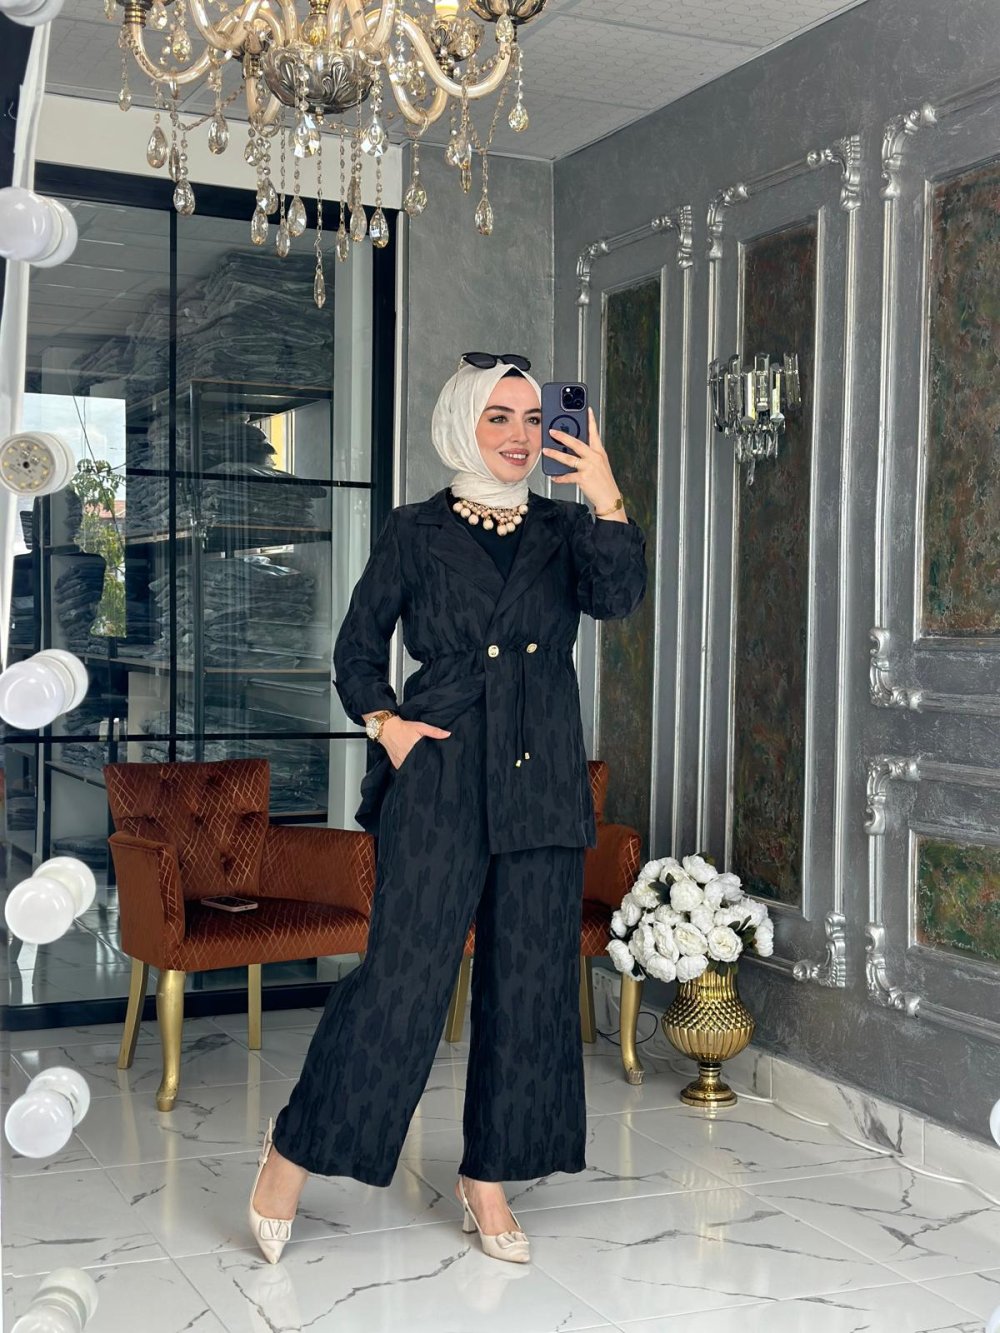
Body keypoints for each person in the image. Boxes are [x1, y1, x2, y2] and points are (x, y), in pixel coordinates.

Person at [247, 352, 647, 1265]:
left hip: (542, 779)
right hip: (441, 775)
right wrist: (387, 725)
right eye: (498, 417)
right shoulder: (415, 529)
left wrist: (605, 494)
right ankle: (292, 1149)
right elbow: (355, 649)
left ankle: (489, 1176)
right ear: (463, 423)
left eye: (532, 418)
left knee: (531, 985)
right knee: (403, 979)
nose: (519, 436)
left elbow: (618, 596)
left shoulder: (565, 527)